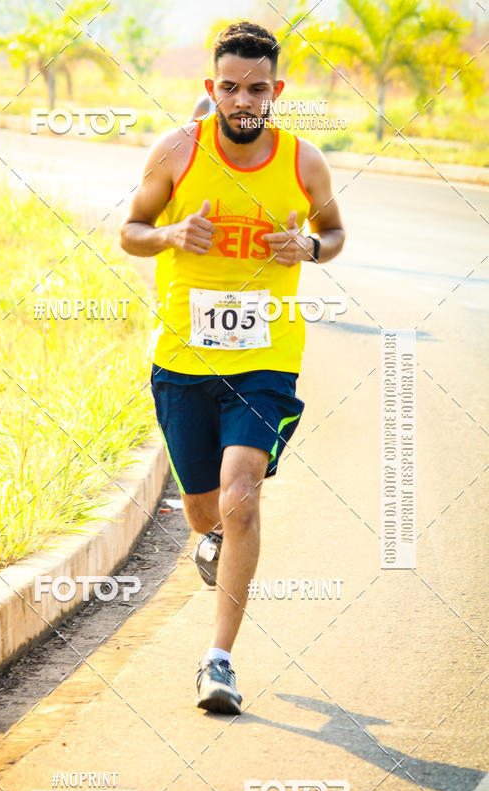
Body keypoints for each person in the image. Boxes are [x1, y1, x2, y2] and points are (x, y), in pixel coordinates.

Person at [119, 21, 345, 715]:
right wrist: (170, 235)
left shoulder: (303, 162)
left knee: (242, 494)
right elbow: (130, 231)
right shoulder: (177, 151)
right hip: (183, 362)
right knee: (203, 511)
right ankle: (213, 535)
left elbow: (335, 233)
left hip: (266, 360)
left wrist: (307, 247)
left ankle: (219, 660)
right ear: (210, 89)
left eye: (256, 89)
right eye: (228, 87)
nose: (242, 100)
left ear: (276, 91)